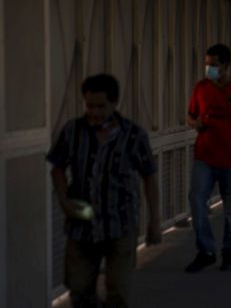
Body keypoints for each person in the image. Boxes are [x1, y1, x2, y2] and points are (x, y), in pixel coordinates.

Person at [47, 74, 161, 308]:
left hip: (120, 222)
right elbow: (57, 167)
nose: (94, 113)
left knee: (118, 291)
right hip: (82, 224)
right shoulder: (73, 131)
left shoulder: (133, 135)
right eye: (89, 105)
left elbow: (149, 176)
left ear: (114, 103)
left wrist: (155, 221)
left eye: (101, 106)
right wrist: (64, 200)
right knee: (78, 289)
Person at [185, 44, 231, 273]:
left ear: (226, 65)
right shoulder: (201, 88)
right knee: (196, 201)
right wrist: (194, 123)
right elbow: (190, 116)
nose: (209, 68)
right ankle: (206, 250)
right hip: (204, 156)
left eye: (214, 64)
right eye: (207, 64)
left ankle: (229, 251)